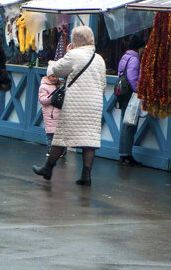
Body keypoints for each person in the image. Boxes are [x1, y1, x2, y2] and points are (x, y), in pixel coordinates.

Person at [32, 25, 106, 186]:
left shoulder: (73, 55)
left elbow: (55, 71)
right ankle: (86, 176)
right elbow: (103, 84)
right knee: (90, 141)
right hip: (94, 104)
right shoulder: (99, 58)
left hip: (75, 103)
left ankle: (48, 168)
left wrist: (63, 55)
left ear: (75, 40)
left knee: (61, 137)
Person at [117, 33, 145, 166]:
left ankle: (123, 154)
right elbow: (132, 78)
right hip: (129, 94)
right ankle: (126, 155)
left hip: (122, 93)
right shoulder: (134, 59)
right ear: (138, 47)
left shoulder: (125, 57)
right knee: (129, 124)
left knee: (125, 123)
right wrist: (138, 91)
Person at [38, 73, 66, 165]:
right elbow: (43, 100)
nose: (55, 78)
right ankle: (50, 150)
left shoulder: (60, 84)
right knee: (50, 134)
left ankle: (62, 151)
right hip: (50, 115)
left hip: (60, 114)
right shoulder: (44, 86)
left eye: (56, 76)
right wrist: (52, 97)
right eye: (53, 76)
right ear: (48, 76)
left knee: (61, 134)